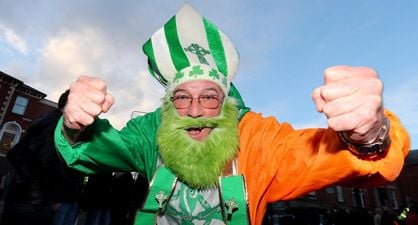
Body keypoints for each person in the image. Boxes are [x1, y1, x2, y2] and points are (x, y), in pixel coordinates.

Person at [54, 4, 410, 225]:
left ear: (226, 103)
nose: (194, 110)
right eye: (180, 97)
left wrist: (369, 133)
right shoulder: (153, 131)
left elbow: (322, 157)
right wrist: (75, 124)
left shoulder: (256, 137)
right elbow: (93, 150)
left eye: (209, 96)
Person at [1, 90, 84, 225]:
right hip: (36, 203)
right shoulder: (59, 127)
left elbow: (15, 153)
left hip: (22, 196)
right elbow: (47, 161)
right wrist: (55, 197)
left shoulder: (45, 120)